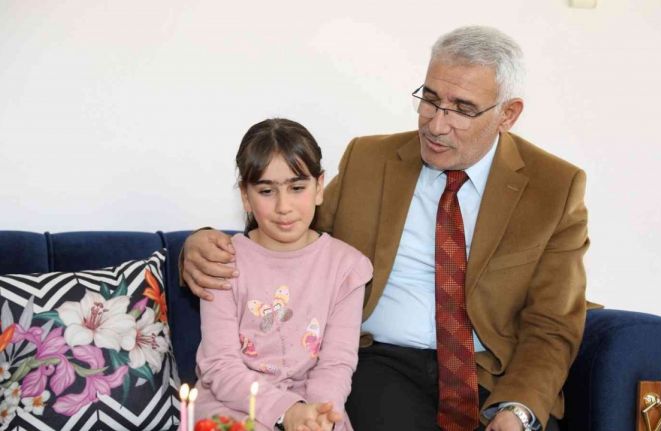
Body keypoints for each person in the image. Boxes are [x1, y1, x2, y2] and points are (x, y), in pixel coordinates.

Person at [184, 26, 588, 431]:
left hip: (491, 377)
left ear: (508, 114)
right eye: (430, 99)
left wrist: (518, 410)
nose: (436, 124)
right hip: (383, 365)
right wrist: (199, 243)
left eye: (462, 109)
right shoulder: (369, 159)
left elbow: (553, 323)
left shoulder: (554, 187)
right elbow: (293, 231)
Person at [193, 118, 373, 431]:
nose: (283, 206)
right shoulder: (221, 263)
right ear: (245, 196)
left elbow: (336, 364)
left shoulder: (347, 268)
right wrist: (286, 411)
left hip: (313, 407)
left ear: (319, 187)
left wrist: (317, 415)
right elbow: (220, 366)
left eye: (297, 188)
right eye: (266, 191)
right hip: (233, 405)